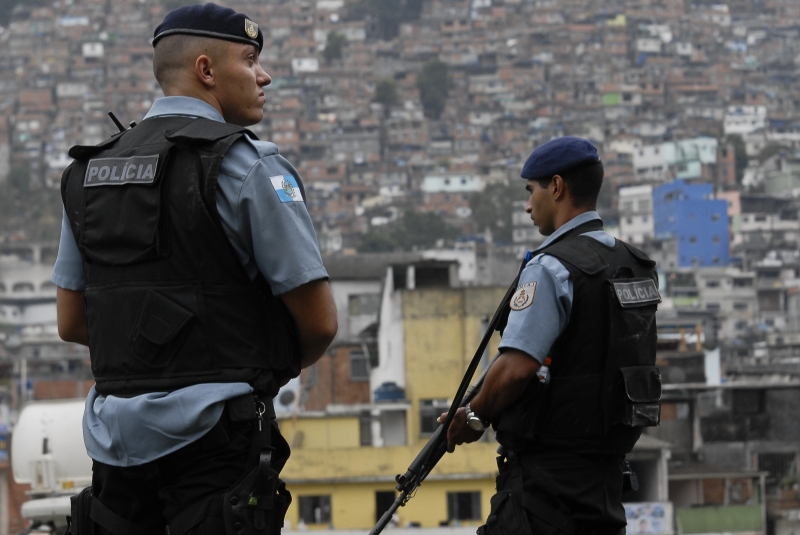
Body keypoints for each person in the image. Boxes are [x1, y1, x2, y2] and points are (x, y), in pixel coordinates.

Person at [53, 4, 337, 534]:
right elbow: (319, 323)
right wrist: (241, 364)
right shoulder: (248, 165)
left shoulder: (87, 173)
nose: (264, 74)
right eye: (251, 59)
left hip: (115, 454)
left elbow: (72, 322)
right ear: (206, 70)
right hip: (217, 450)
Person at [439, 137, 661, 535]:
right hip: (605, 489)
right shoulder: (634, 266)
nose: (528, 205)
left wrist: (473, 417)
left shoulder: (552, 268)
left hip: (544, 492)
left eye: (531, 191)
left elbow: (516, 367)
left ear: (556, 187)